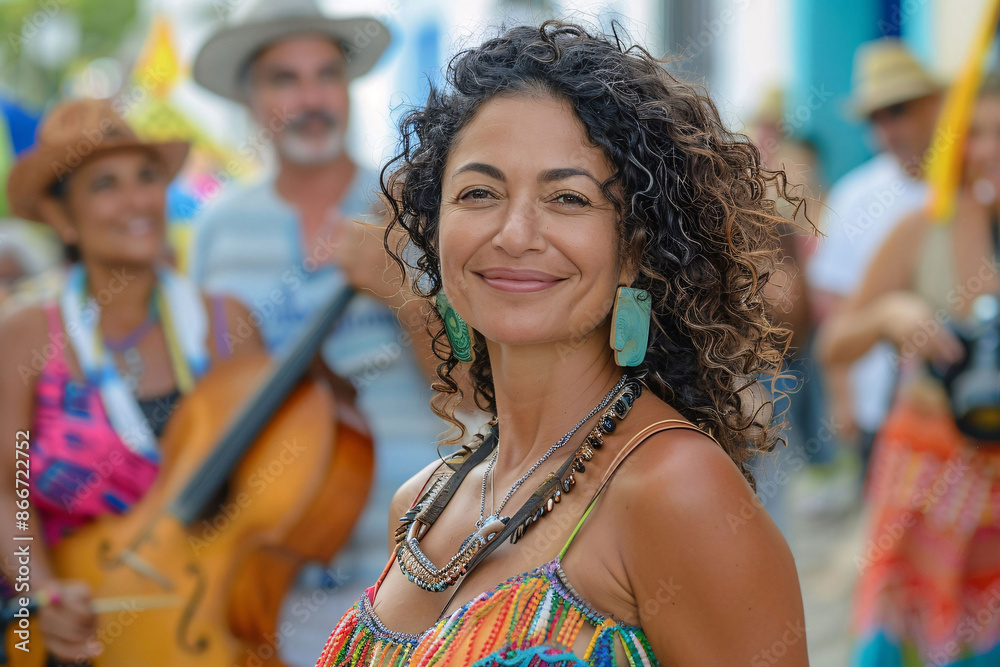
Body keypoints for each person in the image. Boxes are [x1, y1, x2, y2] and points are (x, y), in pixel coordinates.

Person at [314, 21, 807, 666]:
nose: (516, 233)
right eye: (479, 193)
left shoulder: (674, 490)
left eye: (568, 198)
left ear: (634, 248)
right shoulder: (421, 506)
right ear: (436, 232)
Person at [188, 0, 451, 657]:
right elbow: (219, 398)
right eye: (285, 79)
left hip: (418, 550)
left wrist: (397, 287)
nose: (311, 97)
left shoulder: (411, 204)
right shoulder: (218, 229)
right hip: (276, 563)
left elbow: (471, 379)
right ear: (251, 101)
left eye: (325, 74)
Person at [0, 98, 262, 663]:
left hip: (209, 620)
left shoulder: (227, 324)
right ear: (63, 218)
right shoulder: (23, 335)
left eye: (147, 176)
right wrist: (40, 592)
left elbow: (265, 485)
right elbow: (7, 490)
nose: (137, 200)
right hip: (78, 629)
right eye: (104, 184)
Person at [818, 73, 1000, 666]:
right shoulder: (924, 228)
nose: (988, 150)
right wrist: (889, 316)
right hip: (922, 498)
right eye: (976, 133)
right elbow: (834, 344)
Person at [808, 38, 942, 470]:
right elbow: (833, 306)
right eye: (875, 118)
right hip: (881, 412)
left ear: (934, 104)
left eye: (898, 110)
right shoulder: (855, 198)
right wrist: (842, 400)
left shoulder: (968, 187)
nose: (888, 129)